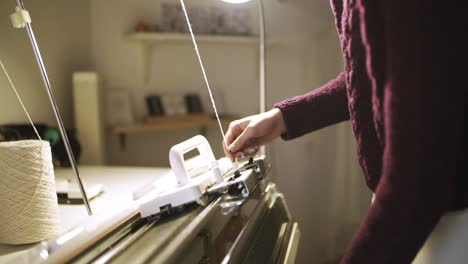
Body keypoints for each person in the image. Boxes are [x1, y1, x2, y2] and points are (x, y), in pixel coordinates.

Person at [223, 1, 466, 263]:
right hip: (408, 199)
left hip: (447, 205)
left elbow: (418, 183)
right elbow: (376, 73)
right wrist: (283, 117)